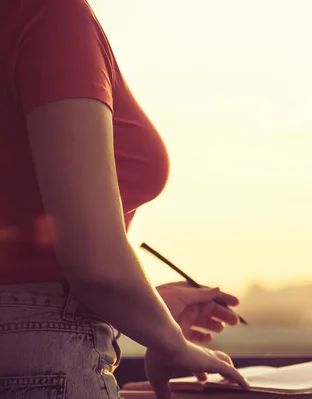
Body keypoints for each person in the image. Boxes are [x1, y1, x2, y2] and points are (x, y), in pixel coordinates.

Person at [0, 0, 249, 398]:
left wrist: (144, 311)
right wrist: (170, 341)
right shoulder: (50, 13)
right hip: (38, 361)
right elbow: (94, 262)